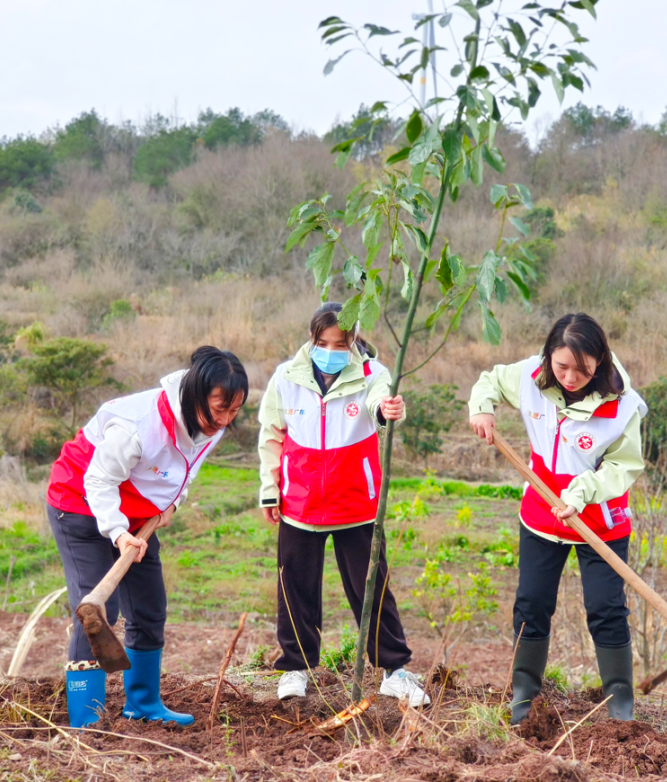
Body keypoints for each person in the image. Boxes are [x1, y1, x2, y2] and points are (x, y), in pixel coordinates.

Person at [46, 346, 248, 729]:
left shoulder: (210, 425)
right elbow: (97, 481)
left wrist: (173, 502)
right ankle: (85, 722)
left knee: (149, 606)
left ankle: (143, 704)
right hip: (79, 502)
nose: (224, 421)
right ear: (194, 395)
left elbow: (187, 468)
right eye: (218, 409)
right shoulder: (138, 425)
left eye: (233, 411)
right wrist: (118, 534)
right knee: (97, 612)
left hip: (138, 513)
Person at [468, 313, 647, 724]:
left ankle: (620, 703)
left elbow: (624, 466)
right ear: (549, 356)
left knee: (605, 608)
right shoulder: (531, 376)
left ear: (599, 362)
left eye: (582, 369)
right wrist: (482, 409)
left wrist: (582, 492)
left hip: (598, 519)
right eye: (561, 365)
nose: (569, 377)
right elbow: (490, 380)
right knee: (531, 602)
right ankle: (524, 694)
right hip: (541, 515)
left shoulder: (622, 406)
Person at [257, 302, 429, 707]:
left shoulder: (373, 374)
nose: (331, 351)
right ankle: (296, 668)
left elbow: (379, 404)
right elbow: (271, 434)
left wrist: (388, 410)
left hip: (356, 502)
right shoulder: (286, 376)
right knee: (294, 587)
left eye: (341, 344)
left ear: (353, 342)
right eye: (323, 343)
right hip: (300, 501)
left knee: (371, 586)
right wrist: (270, 489)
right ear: (311, 339)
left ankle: (394, 672)